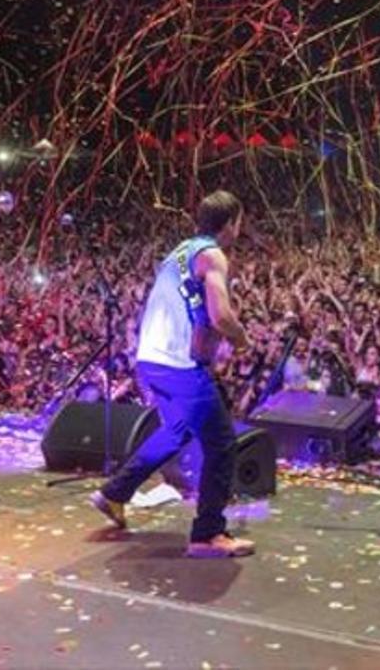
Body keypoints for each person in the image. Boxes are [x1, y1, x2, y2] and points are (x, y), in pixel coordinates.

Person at [90, 190, 254, 558]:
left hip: (150, 358)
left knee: (177, 431)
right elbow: (221, 316)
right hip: (179, 363)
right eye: (239, 222)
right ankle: (207, 534)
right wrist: (241, 339)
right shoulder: (213, 255)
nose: (240, 230)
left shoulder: (180, 251)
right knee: (222, 443)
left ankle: (114, 492)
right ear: (229, 224)